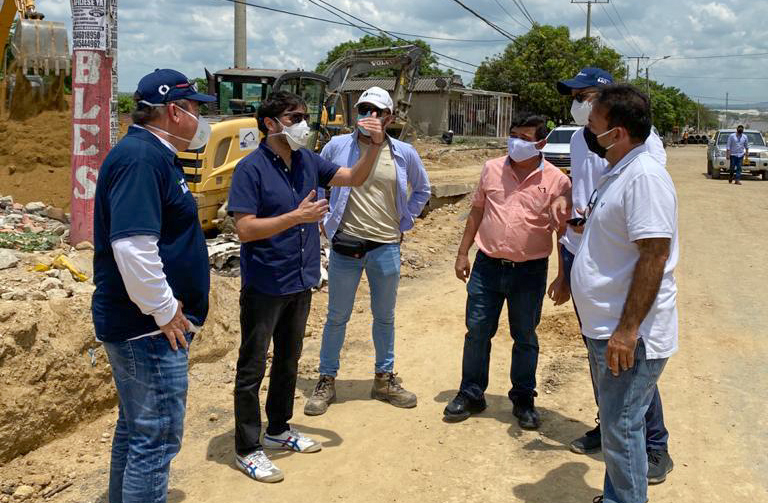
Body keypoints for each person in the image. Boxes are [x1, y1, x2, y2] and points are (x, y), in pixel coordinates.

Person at [226, 90, 387, 483]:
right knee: (252, 367)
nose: (303, 124)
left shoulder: (306, 161)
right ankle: (247, 448)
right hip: (266, 283)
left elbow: (353, 177)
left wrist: (375, 146)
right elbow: (244, 229)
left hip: (300, 279)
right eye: (294, 117)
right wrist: (296, 217)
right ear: (270, 124)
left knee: (288, 360)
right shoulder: (251, 169)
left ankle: (278, 429)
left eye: (303, 116)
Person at [91, 69, 215, 503]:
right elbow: (132, 246)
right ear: (174, 111)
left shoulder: (155, 155)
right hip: (147, 328)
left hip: (143, 325)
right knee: (157, 437)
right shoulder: (141, 158)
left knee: (136, 428)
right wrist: (166, 310)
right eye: (197, 109)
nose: (202, 119)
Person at [551, 67, 673, 485]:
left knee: (623, 429)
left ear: (617, 132)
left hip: (625, 331)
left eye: (593, 123)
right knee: (619, 430)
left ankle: (634, 486)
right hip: (605, 321)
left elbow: (654, 255)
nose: (587, 129)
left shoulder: (645, 175)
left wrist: (627, 330)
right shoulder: (617, 168)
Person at [304, 87, 431, 416]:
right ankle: (327, 378)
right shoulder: (337, 147)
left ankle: (384, 378)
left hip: (386, 245)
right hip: (346, 245)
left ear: (389, 117)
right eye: (364, 110)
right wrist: (324, 216)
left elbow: (422, 189)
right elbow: (319, 181)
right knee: (336, 317)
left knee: (384, 316)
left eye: (376, 111)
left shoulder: (403, 153)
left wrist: (406, 219)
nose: (369, 117)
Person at [443, 116, 571, 429]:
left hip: (529, 271)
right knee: (477, 331)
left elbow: (562, 232)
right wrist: (462, 253)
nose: (516, 142)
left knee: (525, 336)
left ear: (541, 143)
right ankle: (471, 393)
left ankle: (524, 399)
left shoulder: (557, 181)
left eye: (525, 138)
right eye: (513, 136)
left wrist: (563, 275)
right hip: (487, 266)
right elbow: (477, 211)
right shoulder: (492, 168)